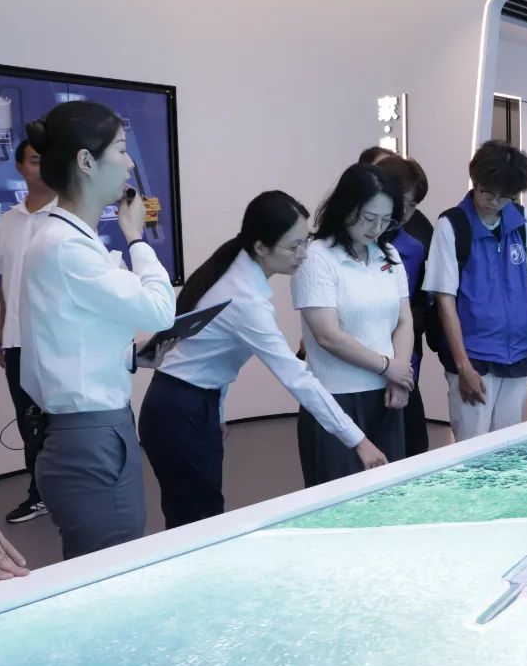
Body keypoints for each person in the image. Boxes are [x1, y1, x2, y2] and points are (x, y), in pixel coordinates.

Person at [139, 191, 386, 529]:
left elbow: (209, 355)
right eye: (294, 246)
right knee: (197, 520)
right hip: (179, 408)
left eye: (306, 241)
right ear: (260, 247)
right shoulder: (245, 298)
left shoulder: (233, 268)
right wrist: (358, 441)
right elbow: (296, 377)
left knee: (198, 513)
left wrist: (217, 411)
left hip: (189, 402)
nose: (303, 254)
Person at [19, 101, 176, 559]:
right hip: (91, 439)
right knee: (113, 567)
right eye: (122, 150)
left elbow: (76, 340)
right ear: (87, 162)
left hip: (92, 432)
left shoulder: (68, 241)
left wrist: (130, 354)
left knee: (110, 560)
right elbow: (160, 309)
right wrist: (137, 238)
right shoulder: (66, 247)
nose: (130, 164)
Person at [423, 140, 527, 441]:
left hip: (517, 353)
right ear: (475, 181)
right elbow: (445, 301)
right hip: (474, 357)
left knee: (508, 447)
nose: (494, 202)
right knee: (472, 448)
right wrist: (462, 366)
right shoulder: (452, 226)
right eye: (487, 193)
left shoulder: (523, 221)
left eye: (503, 197)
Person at [293, 165, 413, 486]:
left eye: (386, 220)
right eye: (369, 218)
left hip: (387, 395)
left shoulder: (388, 254)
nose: (377, 228)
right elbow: (327, 335)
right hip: (335, 399)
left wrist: (399, 374)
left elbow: (404, 320)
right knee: (339, 498)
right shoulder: (316, 257)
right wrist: (387, 366)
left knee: (390, 496)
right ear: (346, 207)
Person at [0, 141, 57, 524]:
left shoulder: (67, 218)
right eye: (35, 160)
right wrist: (2, 330)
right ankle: (40, 496)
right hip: (16, 340)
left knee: (61, 422)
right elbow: (5, 283)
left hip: (55, 340)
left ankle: (68, 492)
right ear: (19, 166)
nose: (43, 166)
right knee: (29, 422)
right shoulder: (8, 222)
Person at [376, 155, 432, 456]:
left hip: (400, 364)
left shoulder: (413, 246)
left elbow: (409, 315)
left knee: (413, 449)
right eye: (403, 202)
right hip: (356, 370)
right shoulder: (336, 247)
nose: (406, 212)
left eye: (413, 205)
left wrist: (403, 369)